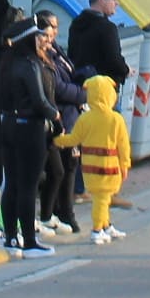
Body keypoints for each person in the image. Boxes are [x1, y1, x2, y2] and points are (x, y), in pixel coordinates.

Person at [0, 14, 58, 258]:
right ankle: (29, 241)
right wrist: (55, 115)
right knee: (28, 185)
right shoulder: (29, 64)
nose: (41, 40)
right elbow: (39, 100)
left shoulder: (5, 62)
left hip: (7, 123)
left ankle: (10, 237)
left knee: (12, 184)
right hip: (30, 127)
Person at [60, 75, 130, 242]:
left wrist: (58, 140)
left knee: (102, 197)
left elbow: (74, 138)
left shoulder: (85, 118)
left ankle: (106, 225)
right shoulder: (116, 119)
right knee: (102, 199)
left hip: (90, 168)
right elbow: (123, 145)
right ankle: (97, 229)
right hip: (110, 166)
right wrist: (125, 164)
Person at [36, 15, 85, 238]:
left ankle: (58, 213)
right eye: (48, 31)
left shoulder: (56, 50)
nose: (52, 34)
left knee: (65, 168)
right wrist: (85, 94)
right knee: (57, 170)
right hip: (58, 118)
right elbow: (58, 88)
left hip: (69, 117)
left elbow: (70, 75)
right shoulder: (40, 58)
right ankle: (53, 214)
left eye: (54, 29)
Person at [67, 0, 129, 90]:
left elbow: (72, 54)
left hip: (79, 86)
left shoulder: (76, 23)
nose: (117, 3)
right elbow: (114, 59)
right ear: (101, 0)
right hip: (103, 89)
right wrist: (126, 70)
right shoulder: (107, 28)